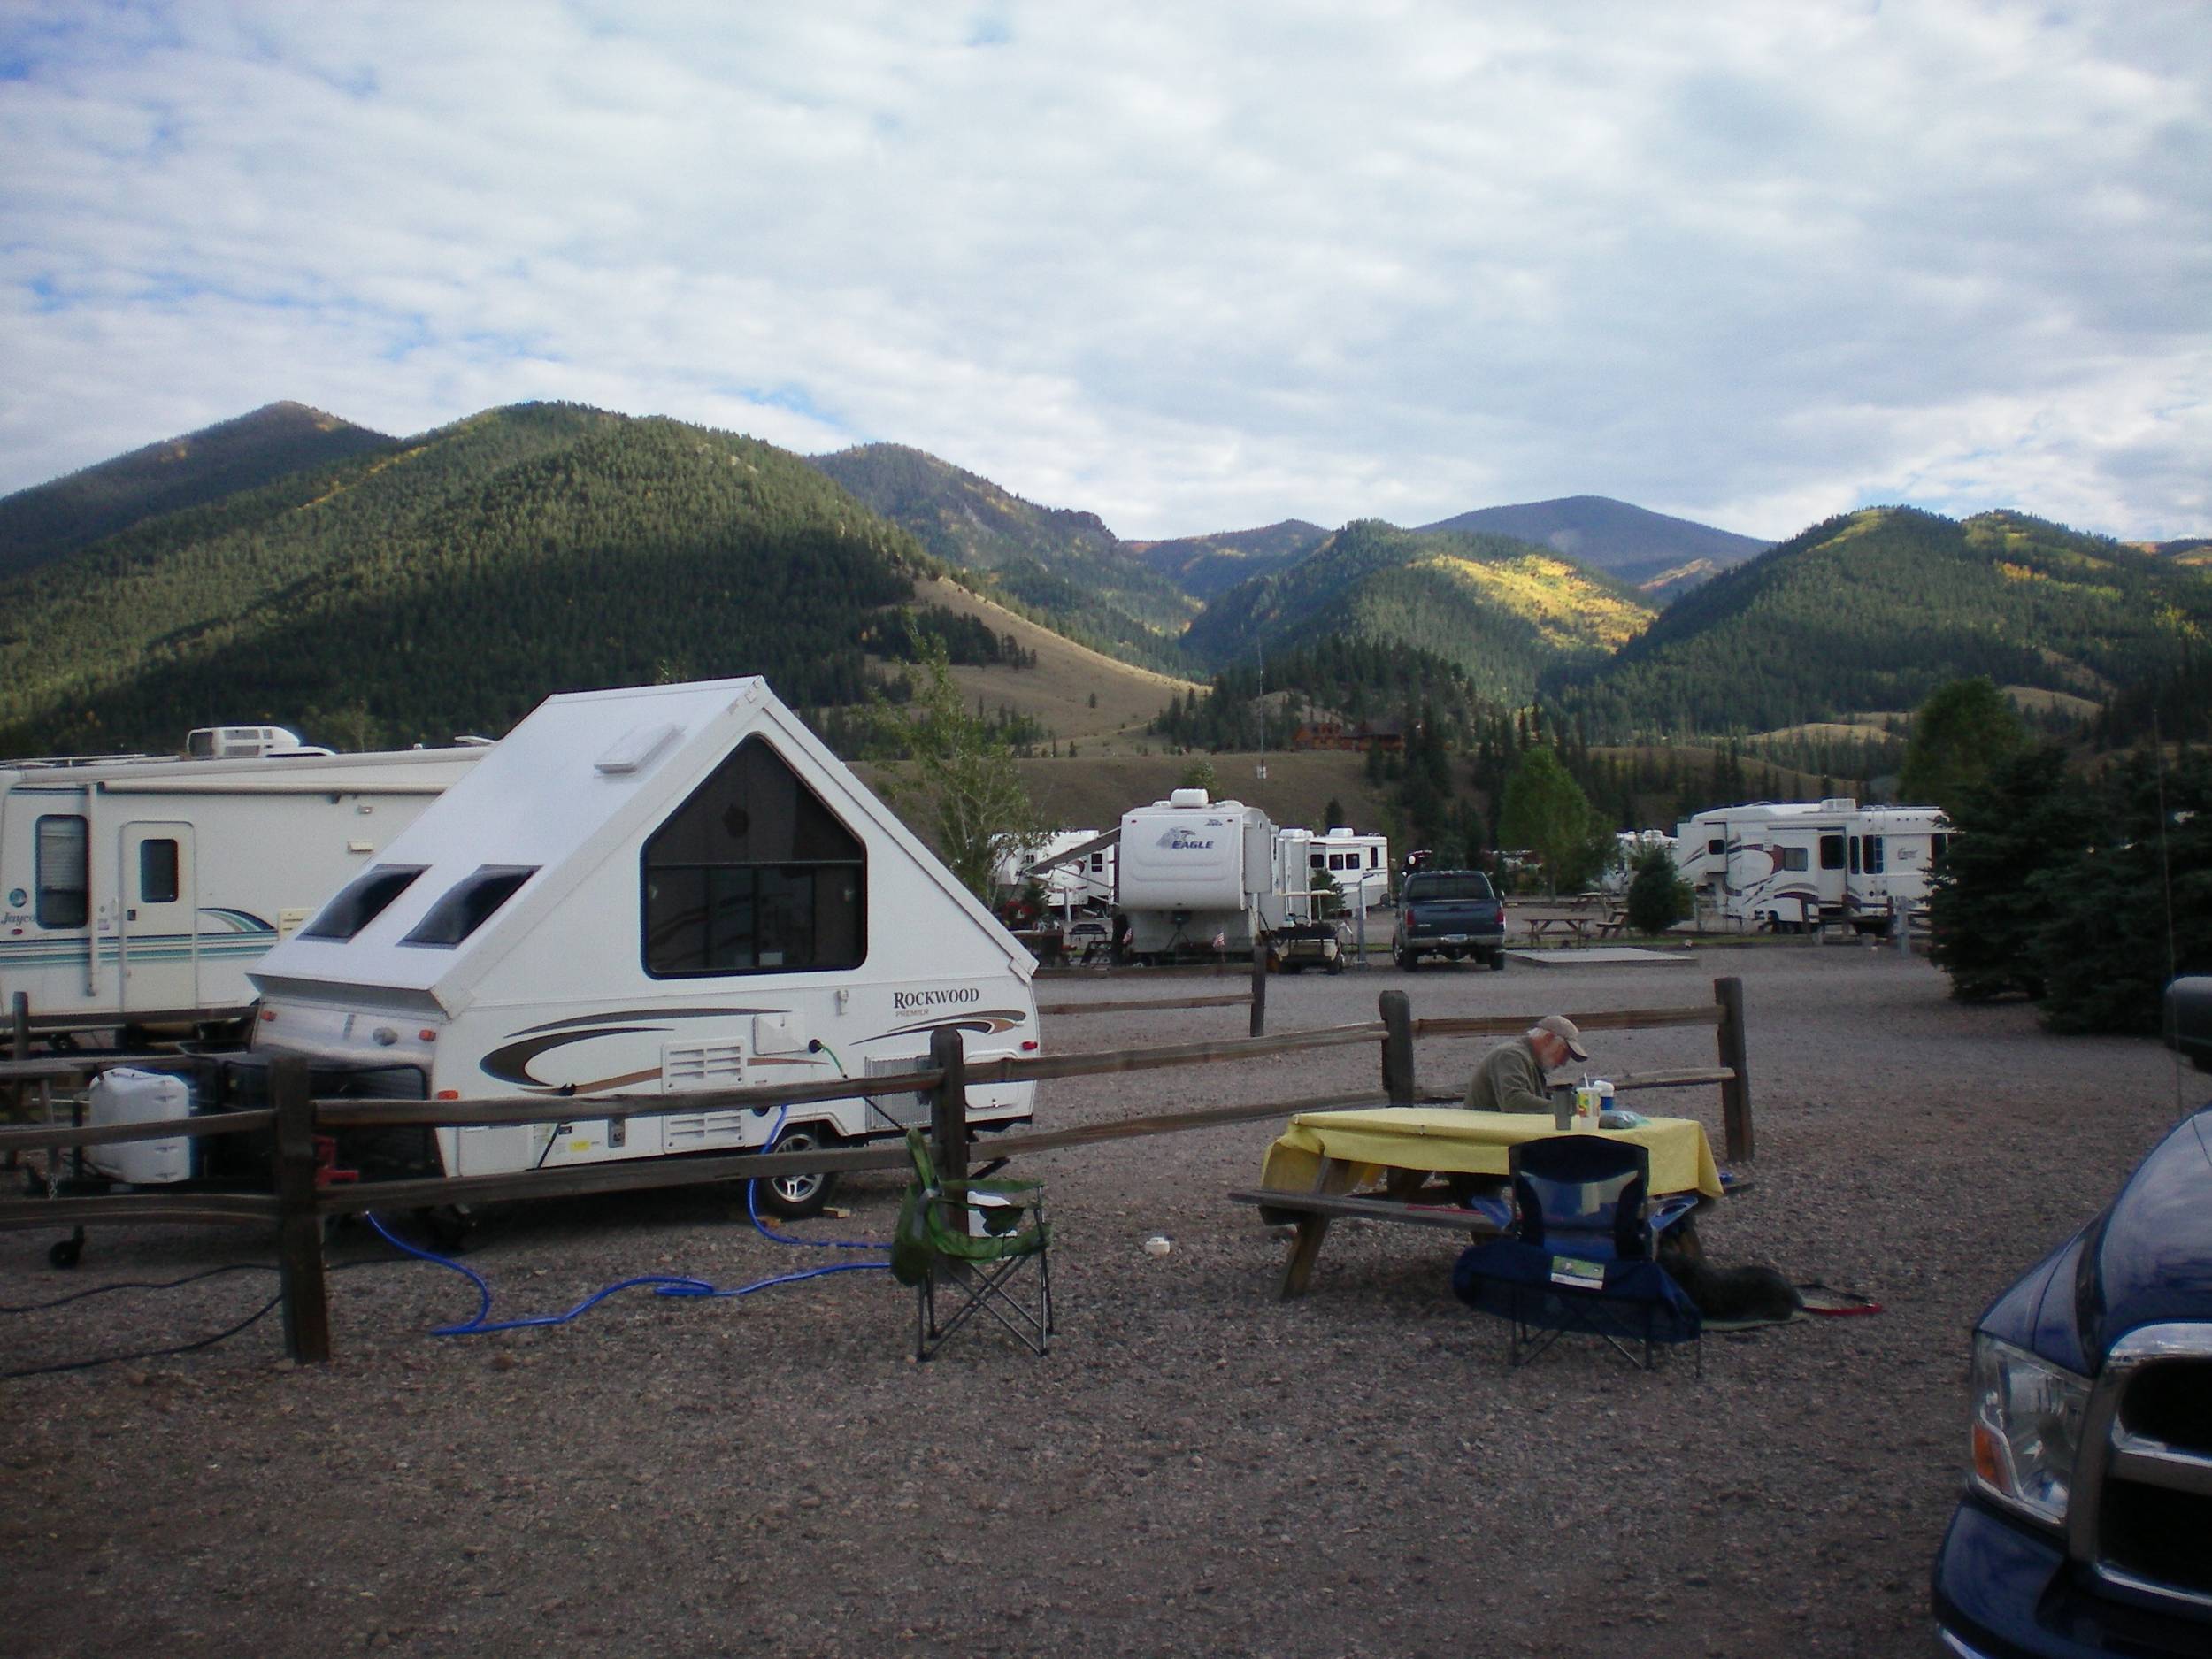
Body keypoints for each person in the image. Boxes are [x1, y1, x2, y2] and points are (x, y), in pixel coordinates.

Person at [1463, 1014, 1589, 1112]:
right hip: (1485, 1139)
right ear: (1548, 1039)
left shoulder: (1531, 1062)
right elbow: (1514, 1102)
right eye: (1565, 1053)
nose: (1563, 1063)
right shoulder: (1511, 1056)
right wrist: (1567, 1107)